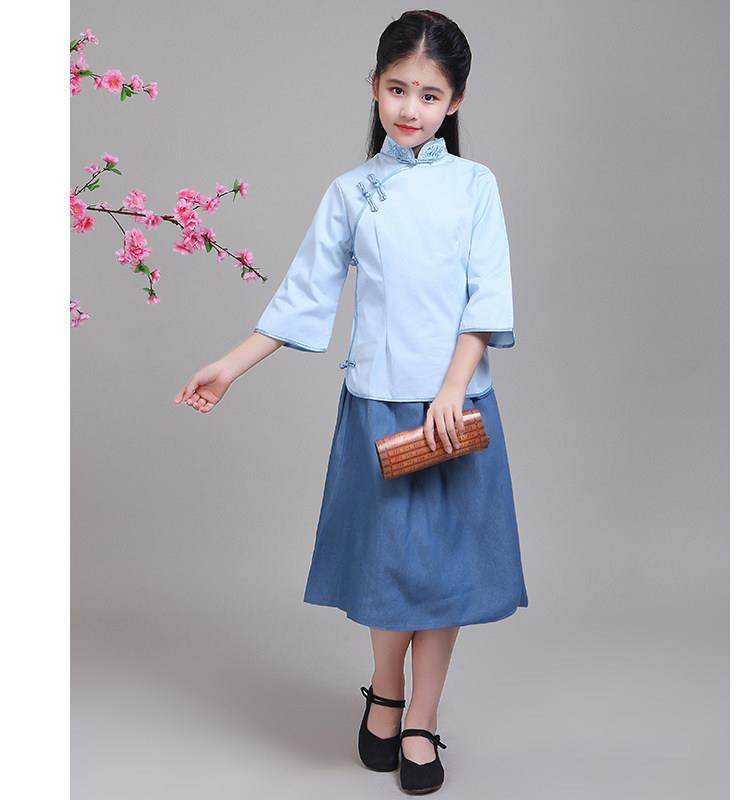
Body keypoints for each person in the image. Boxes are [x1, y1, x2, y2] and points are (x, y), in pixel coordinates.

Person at [174, 9, 528, 794]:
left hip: (455, 413)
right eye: (397, 89)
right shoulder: (351, 192)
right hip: (377, 406)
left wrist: (451, 388)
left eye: (429, 95)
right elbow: (306, 292)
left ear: (456, 101)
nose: (411, 108)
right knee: (389, 568)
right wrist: (229, 367)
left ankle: (421, 719)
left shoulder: (475, 186)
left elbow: (487, 297)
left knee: (444, 574)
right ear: (372, 86)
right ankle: (386, 693)